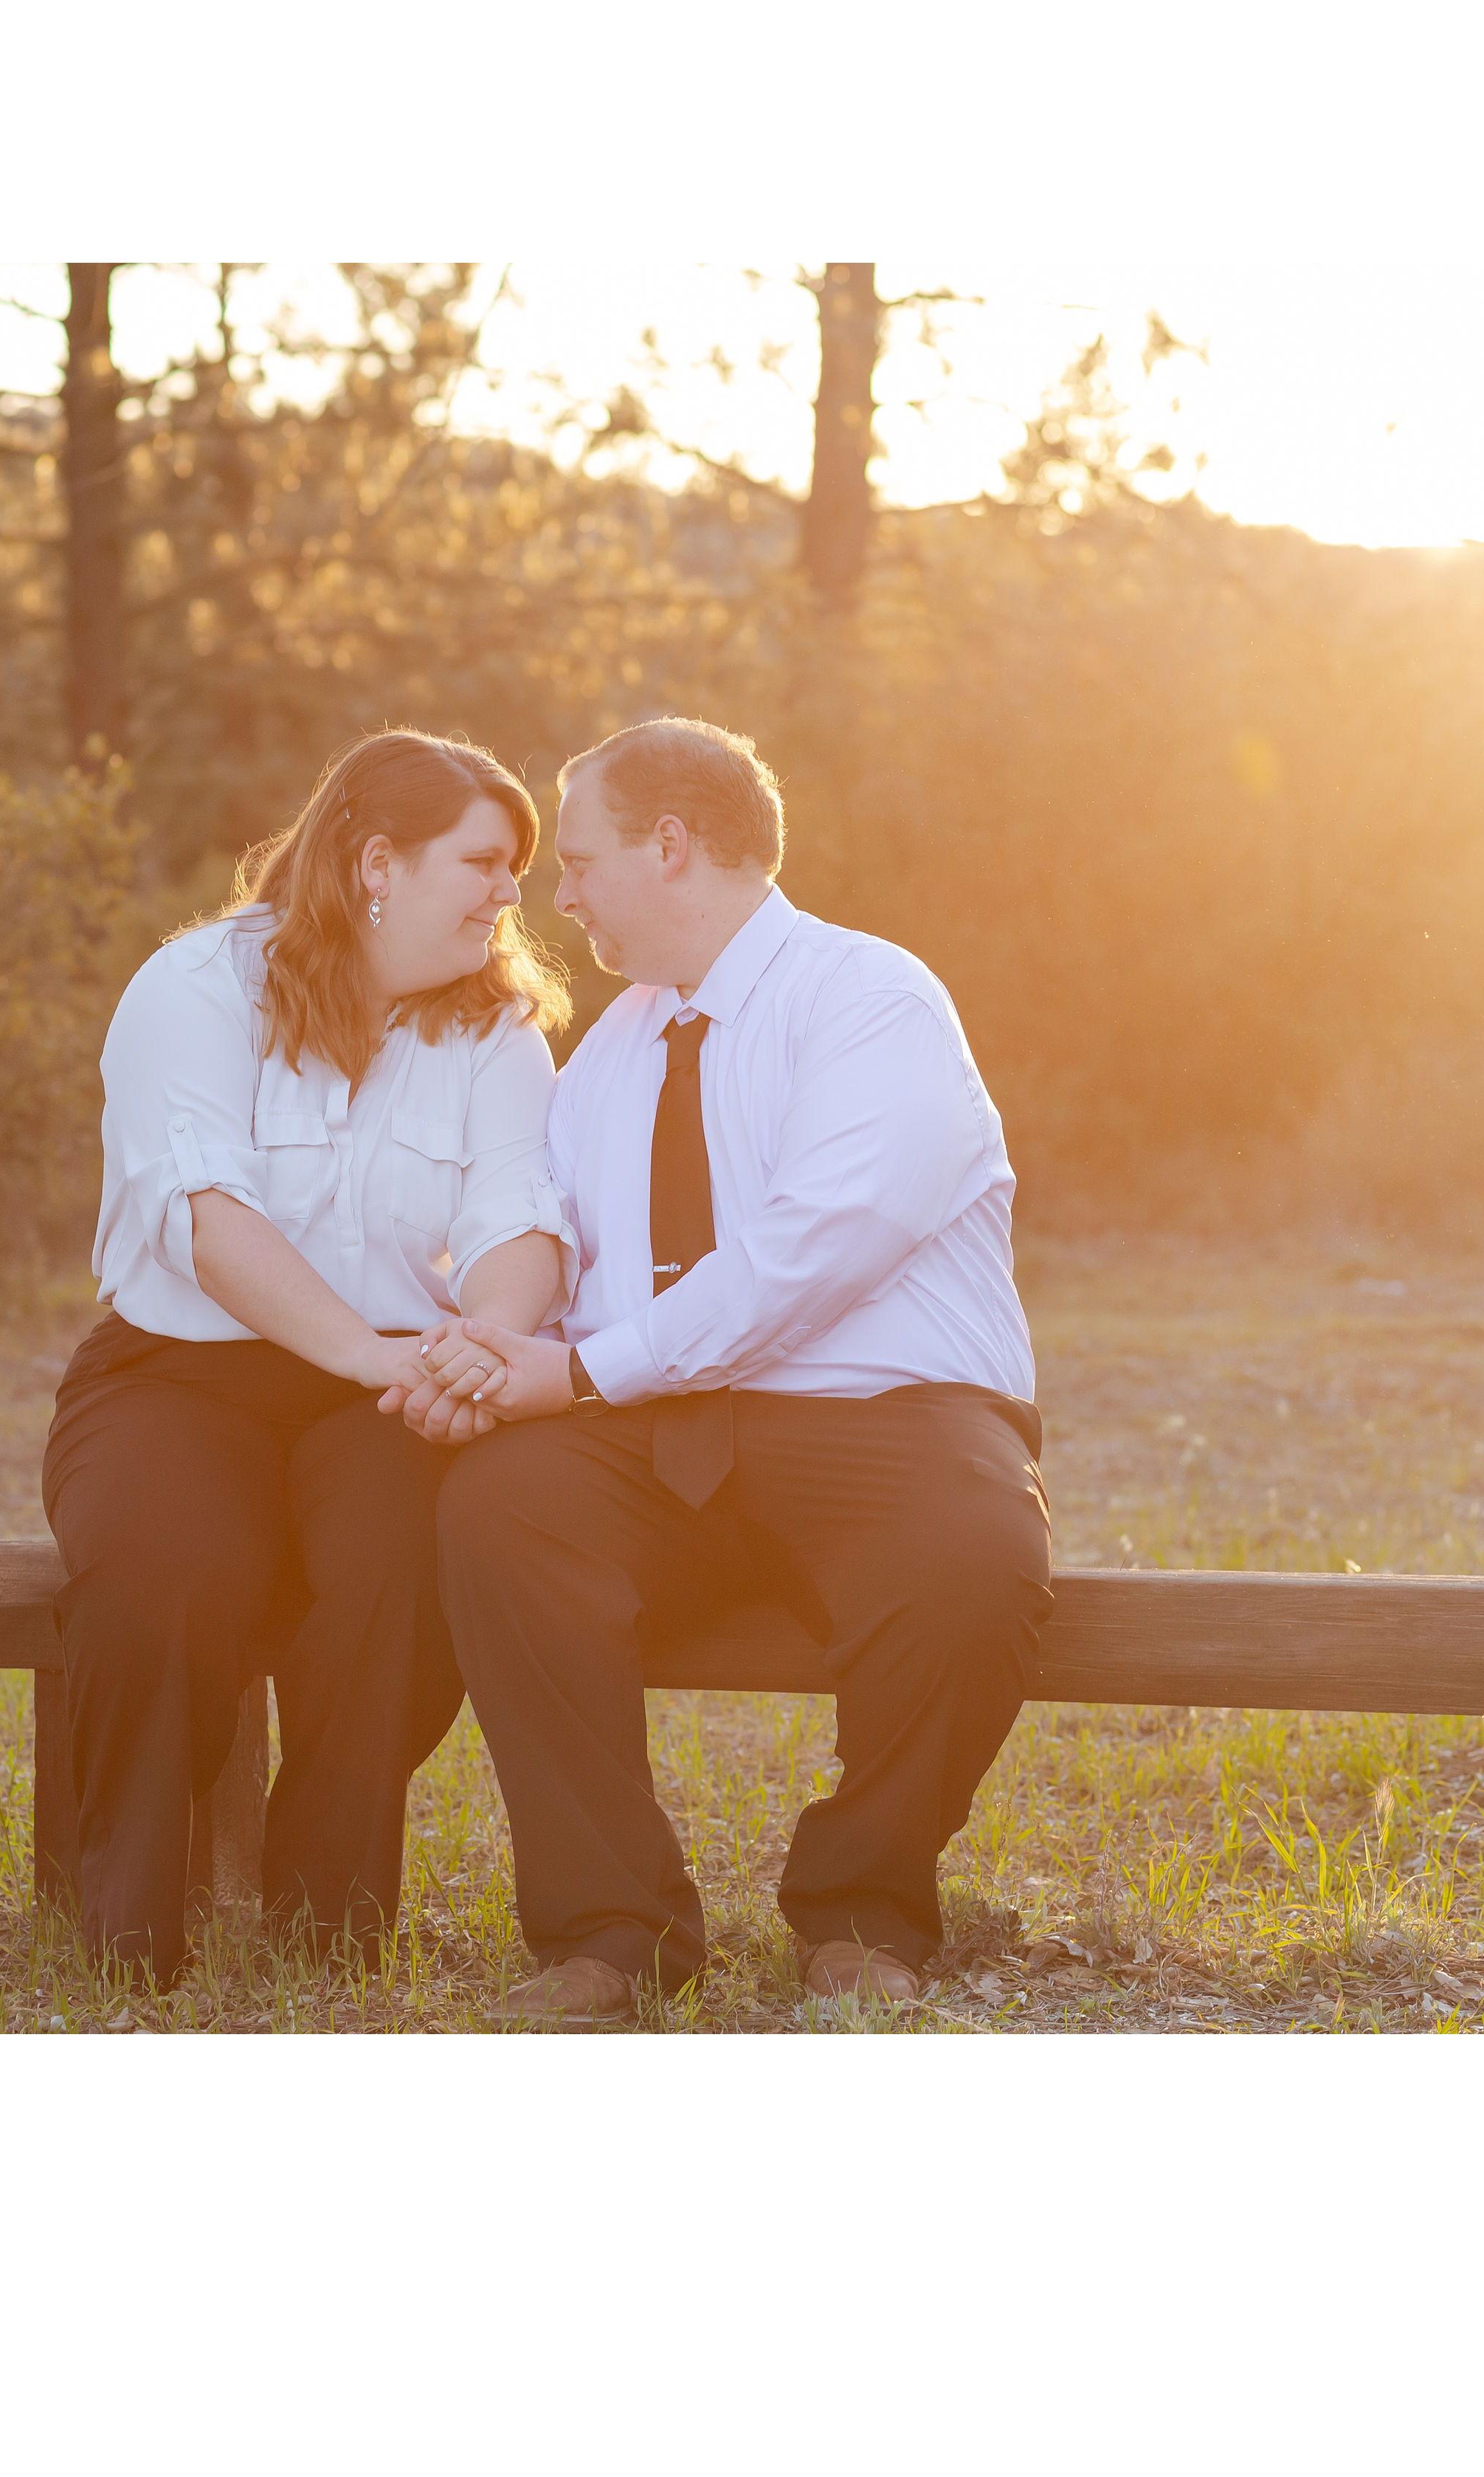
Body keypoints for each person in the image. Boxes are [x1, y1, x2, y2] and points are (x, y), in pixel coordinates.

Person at [389, 717, 1052, 2027]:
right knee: (502, 1508)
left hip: (889, 1421)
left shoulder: (872, 997)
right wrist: (474, 1353)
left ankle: (864, 1911)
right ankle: (611, 1928)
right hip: (656, 1425)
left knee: (975, 1561)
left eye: (578, 862)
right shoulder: (609, 1057)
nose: (560, 896)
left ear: (672, 845)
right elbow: (553, 1241)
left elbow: (812, 1250)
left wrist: (576, 1378)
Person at [41, 730, 573, 1984]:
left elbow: (525, 1228)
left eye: (519, 870)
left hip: (395, 1386)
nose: (511, 896)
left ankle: (330, 1925)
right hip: (180, 1369)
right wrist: (375, 1360)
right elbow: (207, 1220)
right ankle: (126, 1924)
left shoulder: (495, 1034)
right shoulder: (195, 989)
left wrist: (480, 1348)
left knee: (397, 1570)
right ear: (377, 860)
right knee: (160, 1576)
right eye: (485, 862)